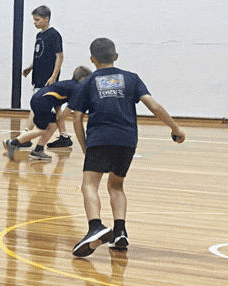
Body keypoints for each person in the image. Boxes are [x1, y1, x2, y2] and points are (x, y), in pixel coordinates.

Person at [68, 38, 184, 257]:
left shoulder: (88, 82)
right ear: (116, 56)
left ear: (92, 59)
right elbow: (153, 106)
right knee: (116, 185)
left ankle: (95, 226)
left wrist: (85, 147)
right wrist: (175, 128)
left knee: (89, 185)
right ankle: (120, 231)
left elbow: (76, 118)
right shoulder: (131, 78)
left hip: (100, 138)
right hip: (127, 141)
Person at [4, 65, 93, 161]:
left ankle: (38, 150)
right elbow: (68, 110)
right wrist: (61, 119)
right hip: (42, 103)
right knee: (42, 130)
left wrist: (59, 119)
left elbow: (57, 98)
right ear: (82, 78)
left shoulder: (68, 84)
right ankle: (12, 142)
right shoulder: (77, 88)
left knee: (53, 125)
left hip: (38, 100)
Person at [21, 6, 71, 148]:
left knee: (36, 104)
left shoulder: (54, 35)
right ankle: (64, 136)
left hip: (47, 78)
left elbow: (59, 56)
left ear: (46, 19)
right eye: (34, 20)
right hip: (38, 75)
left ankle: (25, 137)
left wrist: (54, 76)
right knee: (57, 107)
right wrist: (30, 67)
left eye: (37, 20)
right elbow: (40, 55)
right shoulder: (39, 36)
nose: (35, 23)